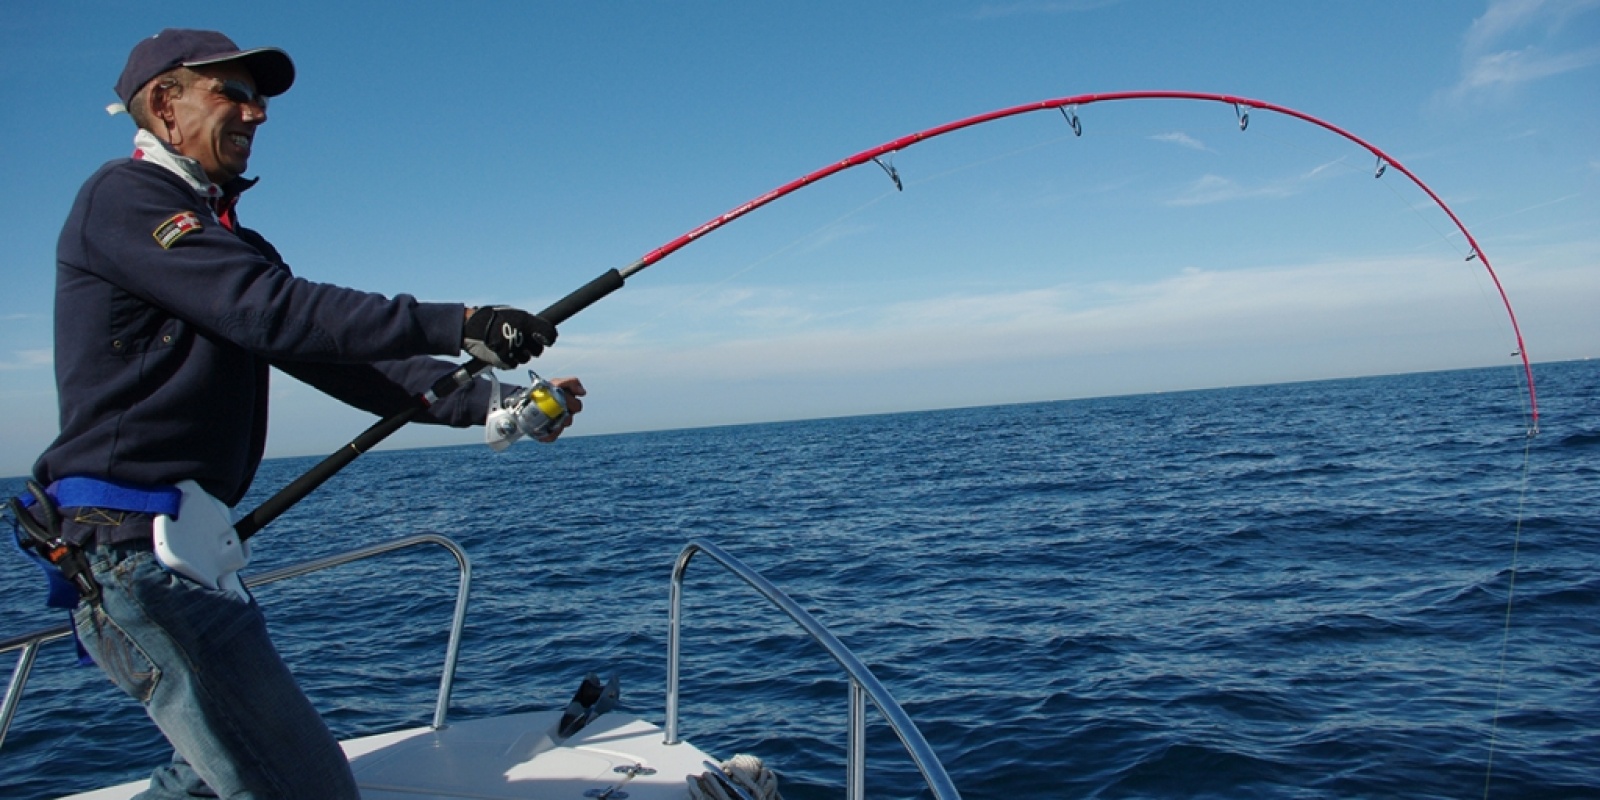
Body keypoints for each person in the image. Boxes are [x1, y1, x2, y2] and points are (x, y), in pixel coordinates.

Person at [23, 28, 584, 798]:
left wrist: (500, 404)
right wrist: (462, 320)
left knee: (209, 778)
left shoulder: (228, 240)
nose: (258, 115)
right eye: (234, 93)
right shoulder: (124, 200)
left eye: (259, 99)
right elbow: (272, 313)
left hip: (184, 552)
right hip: (136, 556)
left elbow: (334, 358)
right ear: (163, 104)